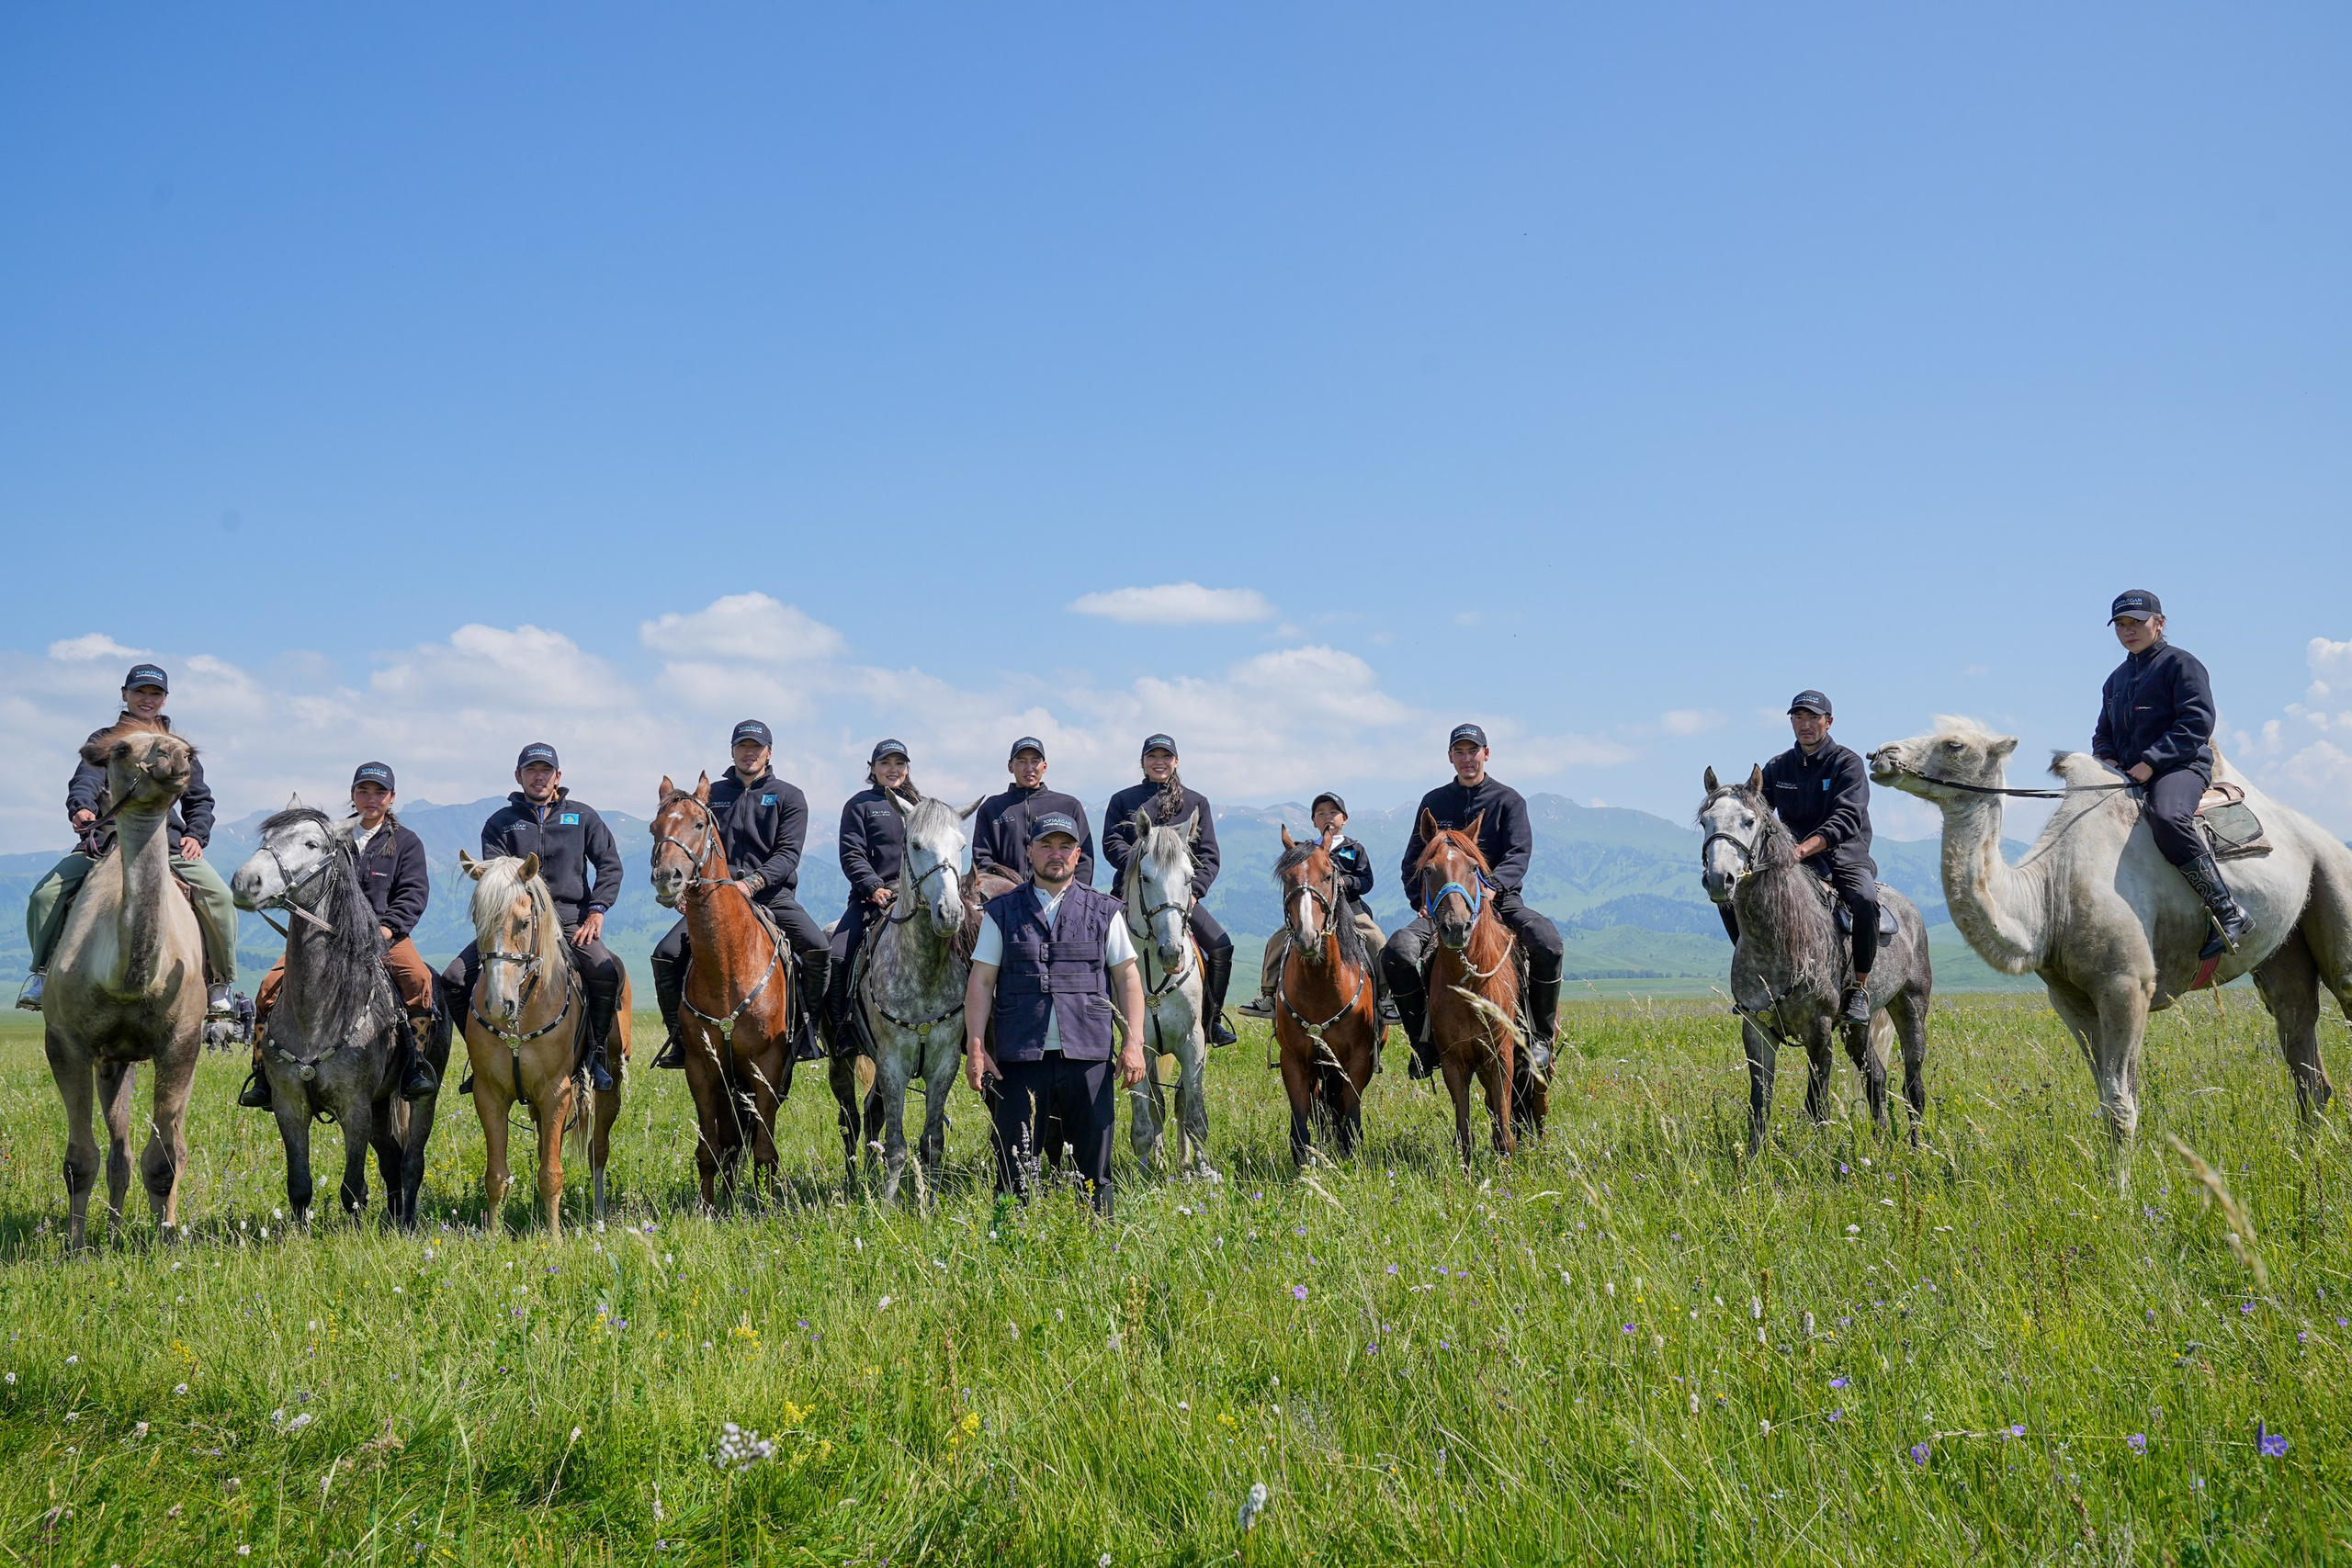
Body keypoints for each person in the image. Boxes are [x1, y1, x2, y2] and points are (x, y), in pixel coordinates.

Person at [17, 663, 239, 1017]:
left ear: (165, 700)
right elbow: (86, 779)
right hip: (106, 840)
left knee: (221, 898)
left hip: (167, 843)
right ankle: (42, 975)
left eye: (155, 694)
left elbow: (199, 799)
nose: (147, 700)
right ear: (125, 694)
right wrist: (81, 807)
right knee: (44, 896)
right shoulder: (108, 741)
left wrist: (197, 836)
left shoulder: (178, 747)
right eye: (140, 692)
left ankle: (220, 982)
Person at [962, 812, 1148, 1217]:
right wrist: (976, 1048)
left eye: (1065, 846)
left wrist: (1134, 1043)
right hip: (1018, 1061)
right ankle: (1011, 1251)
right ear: (1029, 851)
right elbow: (980, 983)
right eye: (1046, 845)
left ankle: (1099, 1253)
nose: (1055, 854)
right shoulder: (1001, 912)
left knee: (1094, 1173)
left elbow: (1128, 980)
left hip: (1088, 1059)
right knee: (1013, 1172)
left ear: (1078, 854)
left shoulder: (1105, 912)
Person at [238, 761, 439, 1109]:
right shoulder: (331, 837)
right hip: (324, 937)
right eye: (364, 791)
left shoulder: (406, 843)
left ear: (392, 798)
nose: (371, 799)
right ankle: (262, 1073)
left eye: (379, 792)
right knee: (268, 988)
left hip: (384, 936)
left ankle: (414, 1065)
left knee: (419, 980)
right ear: (353, 795)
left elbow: (413, 893)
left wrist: (387, 928)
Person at [1380, 724, 1565, 1077]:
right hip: (1442, 908)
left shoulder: (1508, 801)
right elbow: (1413, 861)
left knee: (1548, 942)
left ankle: (1541, 1038)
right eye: (1460, 752)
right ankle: (1424, 1041)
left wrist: (1494, 885)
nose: (1467, 759)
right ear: (1450, 757)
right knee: (1397, 952)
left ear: (1486, 753)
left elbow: (1518, 853)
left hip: (1499, 901)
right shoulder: (1434, 802)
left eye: (1473, 751)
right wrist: (1419, 900)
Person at [443, 743, 626, 1091]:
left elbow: (609, 865)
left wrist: (597, 910)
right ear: (518, 776)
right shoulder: (500, 823)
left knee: (604, 971)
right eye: (531, 770)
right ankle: (480, 1058)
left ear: (558, 776)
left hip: (571, 920)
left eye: (545, 770)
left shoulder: (583, 817)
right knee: (453, 978)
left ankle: (595, 1055)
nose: (538, 777)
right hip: (514, 924)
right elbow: (496, 879)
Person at [649, 720, 831, 1068]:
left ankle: (808, 1031)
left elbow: (788, 854)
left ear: (769, 753)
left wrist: (753, 883)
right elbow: (693, 848)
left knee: (818, 947)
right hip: (712, 899)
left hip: (771, 896)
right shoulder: (711, 796)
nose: (750, 752)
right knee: (665, 955)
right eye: (743, 746)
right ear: (732, 751)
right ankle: (680, 1038)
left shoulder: (790, 796)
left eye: (756, 747)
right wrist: (687, 888)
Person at [2093, 590, 2251, 958]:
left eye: (2137, 622)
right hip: (2128, 774)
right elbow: (2103, 732)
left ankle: (2227, 908)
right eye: (2121, 624)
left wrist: (2152, 759)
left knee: (2167, 816)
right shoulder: (2114, 680)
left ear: (2159, 623)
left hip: (2180, 767)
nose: (2128, 631)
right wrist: (2107, 758)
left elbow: (2197, 722)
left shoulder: (2182, 664)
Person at [1724, 692, 1882, 1026]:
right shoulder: (1779, 767)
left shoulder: (1847, 763)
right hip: (1793, 859)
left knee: (1866, 901)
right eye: (1799, 717)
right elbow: (1756, 810)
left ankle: (1859, 988)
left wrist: (1801, 850)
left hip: (1844, 856)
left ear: (1828, 721)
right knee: (1730, 896)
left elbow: (1847, 818)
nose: (1805, 725)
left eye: (1813, 718)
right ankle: (1754, 980)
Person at [1100, 734, 1238, 1045]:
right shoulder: (1123, 800)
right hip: (1132, 893)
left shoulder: (1196, 802)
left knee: (1221, 946)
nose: (1158, 762)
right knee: (1093, 947)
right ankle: (1097, 1025)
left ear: (1176, 762)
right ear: (1143, 763)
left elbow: (1209, 855)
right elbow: (1111, 843)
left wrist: (1195, 891)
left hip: (1179, 898)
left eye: (1165, 756)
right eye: (1152, 756)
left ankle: (1211, 1020)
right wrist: (1141, 864)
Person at [1238, 791, 1387, 1019]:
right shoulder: (1305, 851)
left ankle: (1385, 997)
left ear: (1344, 819)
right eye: (1321, 813)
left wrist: (1344, 881)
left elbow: (1367, 881)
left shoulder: (1354, 848)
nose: (1328, 817)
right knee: (1276, 941)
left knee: (1376, 938)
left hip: (1351, 908)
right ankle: (1267, 995)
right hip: (1315, 908)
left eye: (1333, 812)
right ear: (1313, 821)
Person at [823, 739, 922, 1053]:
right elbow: (852, 854)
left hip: (919, 902)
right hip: (871, 901)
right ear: (873, 768)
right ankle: (842, 1031)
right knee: (838, 956)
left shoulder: (923, 807)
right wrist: (872, 886)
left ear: (907, 768)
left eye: (899, 764)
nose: (892, 770)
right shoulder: (860, 805)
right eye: (885, 764)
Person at [971, 737, 1097, 886]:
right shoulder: (992, 808)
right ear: (1010, 766)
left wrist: (1075, 896)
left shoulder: (1069, 806)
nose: (1029, 768)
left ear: (1044, 766)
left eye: (1035, 761)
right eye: (1022, 761)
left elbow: (1083, 857)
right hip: (1006, 899)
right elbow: (983, 860)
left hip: (1058, 896)